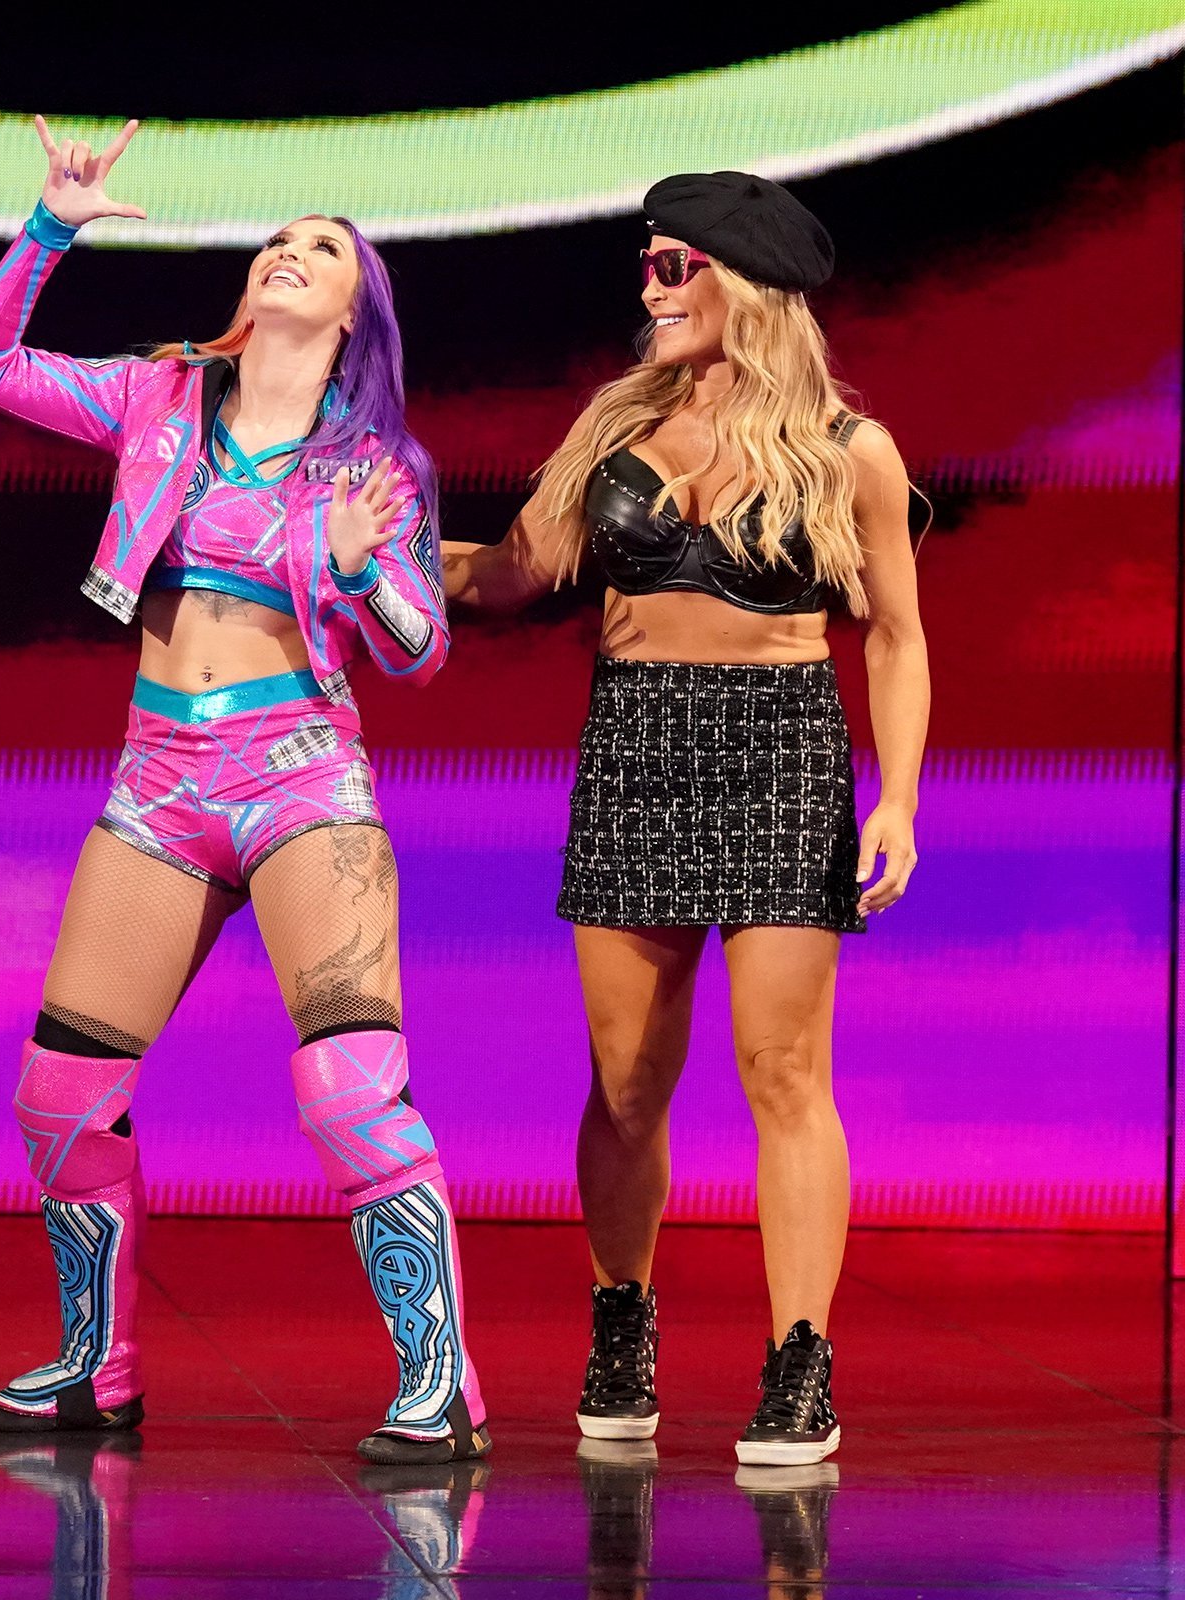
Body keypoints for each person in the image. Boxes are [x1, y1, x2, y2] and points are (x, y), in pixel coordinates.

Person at [0, 116, 488, 1464]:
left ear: (356, 314)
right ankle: (98, 1368)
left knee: (350, 1094)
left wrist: (359, 569)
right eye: (278, 240)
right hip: (159, 789)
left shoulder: (373, 468)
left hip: (303, 787)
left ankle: (440, 1384)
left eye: (324, 248)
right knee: (59, 1094)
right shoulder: (160, 399)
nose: (289, 252)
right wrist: (51, 230)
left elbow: (421, 652)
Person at [443, 172, 928, 1466]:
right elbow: (512, 574)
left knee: (785, 1071)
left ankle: (800, 1362)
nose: (649, 287)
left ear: (744, 286)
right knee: (625, 1082)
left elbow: (897, 636)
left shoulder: (849, 450)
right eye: (649, 265)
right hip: (637, 747)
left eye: (672, 266)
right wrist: (371, 553)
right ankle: (623, 1319)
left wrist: (898, 798)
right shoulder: (616, 428)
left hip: (781, 752)